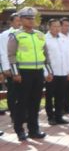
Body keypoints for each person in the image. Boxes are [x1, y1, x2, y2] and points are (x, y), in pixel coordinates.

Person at [6, 7, 53, 141]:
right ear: (20, 20)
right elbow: (11, 55)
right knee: (22, 102)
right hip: (23, 74)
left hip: (38, 73)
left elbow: (46, 55)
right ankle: (19, 129)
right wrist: (15, 73)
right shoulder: (15, 35)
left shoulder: (40, 35)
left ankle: (34, 129)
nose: (31, 21)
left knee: (35, 102)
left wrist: (49, 71)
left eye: (32, 18)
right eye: (27, 18)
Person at [44, 18, 69, 125]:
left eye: (58, 26)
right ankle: (50, 117)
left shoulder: (63, 39)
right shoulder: (44, 39)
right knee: (49, 96)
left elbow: (67, 56)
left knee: (61, 96)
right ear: (49, 27)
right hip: (51, 73)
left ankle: (59, 116)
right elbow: (43, 58)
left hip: (63, 72)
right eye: (54, 26)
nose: (56, 28)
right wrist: (46, 73)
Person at [60, 18, 69, 115]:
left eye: (68, 25)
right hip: (61, 68)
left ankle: (68, 107)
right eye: (65, 25)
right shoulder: (58, 37)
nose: (67, 27)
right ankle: (60, 108)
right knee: (61, 90)